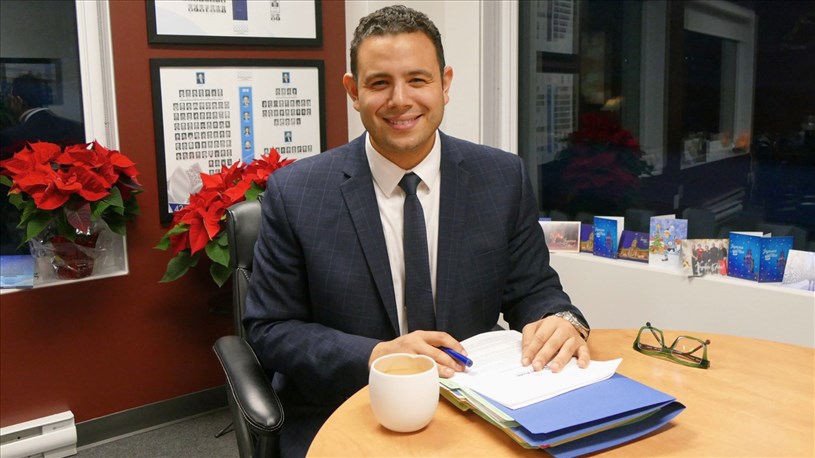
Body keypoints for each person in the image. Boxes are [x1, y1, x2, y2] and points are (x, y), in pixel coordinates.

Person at [244, 5, 591, 457]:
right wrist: (378, 355)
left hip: (476, 407)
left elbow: (533, 289)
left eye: (417, 79)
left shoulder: (502, 178)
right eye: (379, 83)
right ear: (353, 91)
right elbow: (270, 329)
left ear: (445, 84)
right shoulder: (297, 193)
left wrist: (560, 320)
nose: (400, 100)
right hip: (348, 409)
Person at [1, 73, 85, 255]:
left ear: (18, 100)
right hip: (70, 210)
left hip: (26, 214)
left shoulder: (11, 136)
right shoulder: (75, 128)